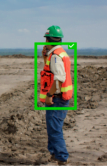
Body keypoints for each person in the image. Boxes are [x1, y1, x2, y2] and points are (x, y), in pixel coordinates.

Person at [40, 25, 73, 165]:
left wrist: (49, 95)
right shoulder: (59, 53)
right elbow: (50, 72)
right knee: (53, 128)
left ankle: (61, 157)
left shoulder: (55, 56)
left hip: (56, 99)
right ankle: (54, 153)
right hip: (59, 98)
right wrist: (44, 57)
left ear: (48, 39)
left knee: (55, 130)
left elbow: (59, 77)